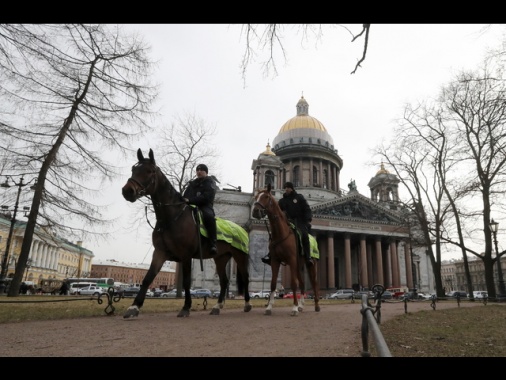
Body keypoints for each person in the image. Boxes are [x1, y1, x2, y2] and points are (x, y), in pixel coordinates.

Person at [262, 182, 313, 266]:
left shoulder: (299, 198)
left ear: (292, 188)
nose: (286, 189)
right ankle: (270, 255)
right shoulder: (282, 201)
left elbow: (307, 209)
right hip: (287, 222)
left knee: (304, 235)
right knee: (274, 235)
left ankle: (308, 257)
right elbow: (277, 211)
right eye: (285, 188)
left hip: (299, 221)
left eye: (288, 187)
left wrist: (307, 218)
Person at [182, 164, 218, 255]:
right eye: (197, 170)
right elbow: (185, 196)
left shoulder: (210, 182)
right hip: (191, 205)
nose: (199, 172)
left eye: (201, 170)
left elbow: (207, 197)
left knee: (208, 217)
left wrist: (190, 200)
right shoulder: (192, 184)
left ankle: (213, 243)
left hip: (204, 205)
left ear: (206, 172)